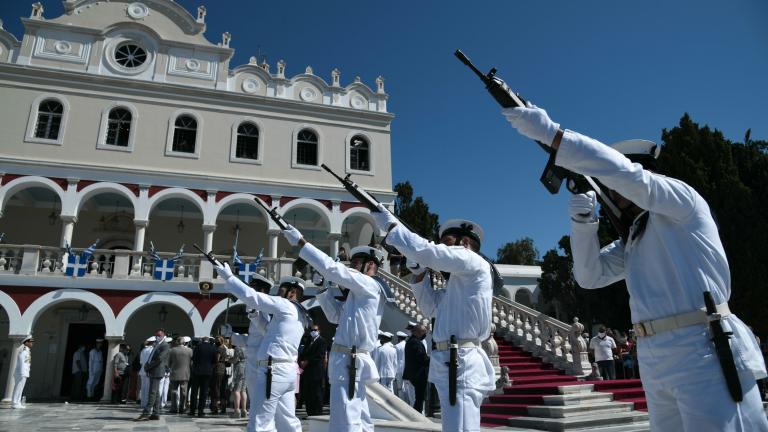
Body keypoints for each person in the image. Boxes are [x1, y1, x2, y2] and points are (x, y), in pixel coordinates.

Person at [502, 103, 768, 431]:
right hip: (655, 357)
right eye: (610, 187)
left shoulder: (683, 202)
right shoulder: (633, 238)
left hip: (703, 346)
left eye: (616, 181)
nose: (614, 190)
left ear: (648, 172)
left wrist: (552, 135)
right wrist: (583, 222)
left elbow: (631, 179)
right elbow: (589, 276)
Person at [372, 209, 497, 432]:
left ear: (465, 242)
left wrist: (392, 226)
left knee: (461, 428)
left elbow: (430, 253)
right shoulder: (456, 287)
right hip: (449, 361)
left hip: (461, 360)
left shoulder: (474, 262)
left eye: (447, 243)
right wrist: (418, 274)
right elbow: (428, 306)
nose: (443, 249)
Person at [284, 223, 392, 432]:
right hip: (348, 359)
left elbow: (333, 269)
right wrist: (324, 289)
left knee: (345, 418)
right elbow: (336, 317)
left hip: (349, 361)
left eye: (357, 263)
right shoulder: (360, 293)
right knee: (359, 416)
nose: (351, 267)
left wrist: (301, 243)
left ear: (370, 266)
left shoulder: (368, 285)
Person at [215, 262, 306, 432]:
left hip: (274, 370)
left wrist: (229, 277)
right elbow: (268, 331)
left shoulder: (286, 305)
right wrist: (250, 318)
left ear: (292, 293)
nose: (277, 295)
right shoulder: (300, 313)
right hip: (284, 370)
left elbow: (253, 297)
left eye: (281, 291)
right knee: (287, 420)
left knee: (259, 422)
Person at [135, 329, 170, 421]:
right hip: (153, 370)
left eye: (159, 335)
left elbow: (159, 359)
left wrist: (149, 366)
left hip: (157, 371)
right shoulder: (157, 344)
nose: (157, 337)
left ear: (163, 335)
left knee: (152, 392)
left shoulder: (165, 345)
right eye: (156, 335)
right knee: (156, 393)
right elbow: (151, 357)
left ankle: (146, 413)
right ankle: (156, 413)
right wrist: (147, 364)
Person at [299, 323, 328, 416]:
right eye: (311, 330)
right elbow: (303, 353)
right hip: (307, 371)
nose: (313, 332)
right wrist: (301, 361)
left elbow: (319, 355)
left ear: (319, 331)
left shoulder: (322, 341)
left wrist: (307, 361)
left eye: (315, 330)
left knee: (317, 392)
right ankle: (309, 412)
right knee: (308, 392)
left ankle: (317, 412)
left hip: (316, 371)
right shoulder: (308, 341)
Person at [403, 325, 430, 413]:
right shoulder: (415, 342)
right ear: (417, 332)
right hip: (417, 375)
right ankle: (416, 418)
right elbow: (422, 359)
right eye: (423, 333)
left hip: (415, 375)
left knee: (418, 399)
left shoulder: (412, 341)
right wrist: (433, 359)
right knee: (418, 399)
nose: (424, 335)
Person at [189, 336, 217, 417]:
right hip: (207, 372)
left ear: (202, 340)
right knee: (204, 392)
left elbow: (194, 358)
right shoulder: (213, 348)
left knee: (194, 392)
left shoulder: (198, 347)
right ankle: (201, 411)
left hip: (197, 371)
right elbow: (215, 361)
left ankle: (192, 410)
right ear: (208, 341)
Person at [168, 336, 193, 414]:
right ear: (184, 342)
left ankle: (174, 408)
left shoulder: (172, 350)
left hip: (174, 373)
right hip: (185, 373)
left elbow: (169, 362)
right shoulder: (190, 350)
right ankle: (182, 407)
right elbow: (191, 363)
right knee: (183, 392)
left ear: (177, 342)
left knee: (174, 391)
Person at [11, 335, 33, 409]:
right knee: (18, 387)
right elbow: (22, 362)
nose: (32, 344)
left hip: (24, 372)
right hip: (21, 372)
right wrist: (23, 372)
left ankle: (18, 402)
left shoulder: (27, 350)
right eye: (30, 342)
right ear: (26, 342)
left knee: (20, 388)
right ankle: (14, 403)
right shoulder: (23, 350)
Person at [229, 335, 248, 419]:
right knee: (243, 390)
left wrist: (228, 360)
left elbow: (235, 359)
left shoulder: (238, 348)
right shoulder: (248, 347)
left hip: (239, 367)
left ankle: (237, 410)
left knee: (237, 389)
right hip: (247, 367)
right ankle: (244, 410)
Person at [138, 336, 154, 408]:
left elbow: (141, 362)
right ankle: (146, 403)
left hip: (142, 370)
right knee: (148, 388)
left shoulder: (143, 350)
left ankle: (143, 403)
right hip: (148, 371)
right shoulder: (152, 350)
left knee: (143, 387)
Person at [394, 330, 408, 400]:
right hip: (406, 367)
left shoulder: (396, 346)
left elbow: (395, 358)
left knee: (400, 387)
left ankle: (402, 400)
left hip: (399, 368)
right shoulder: (407, 345)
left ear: (399, 338)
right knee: (406, 386)